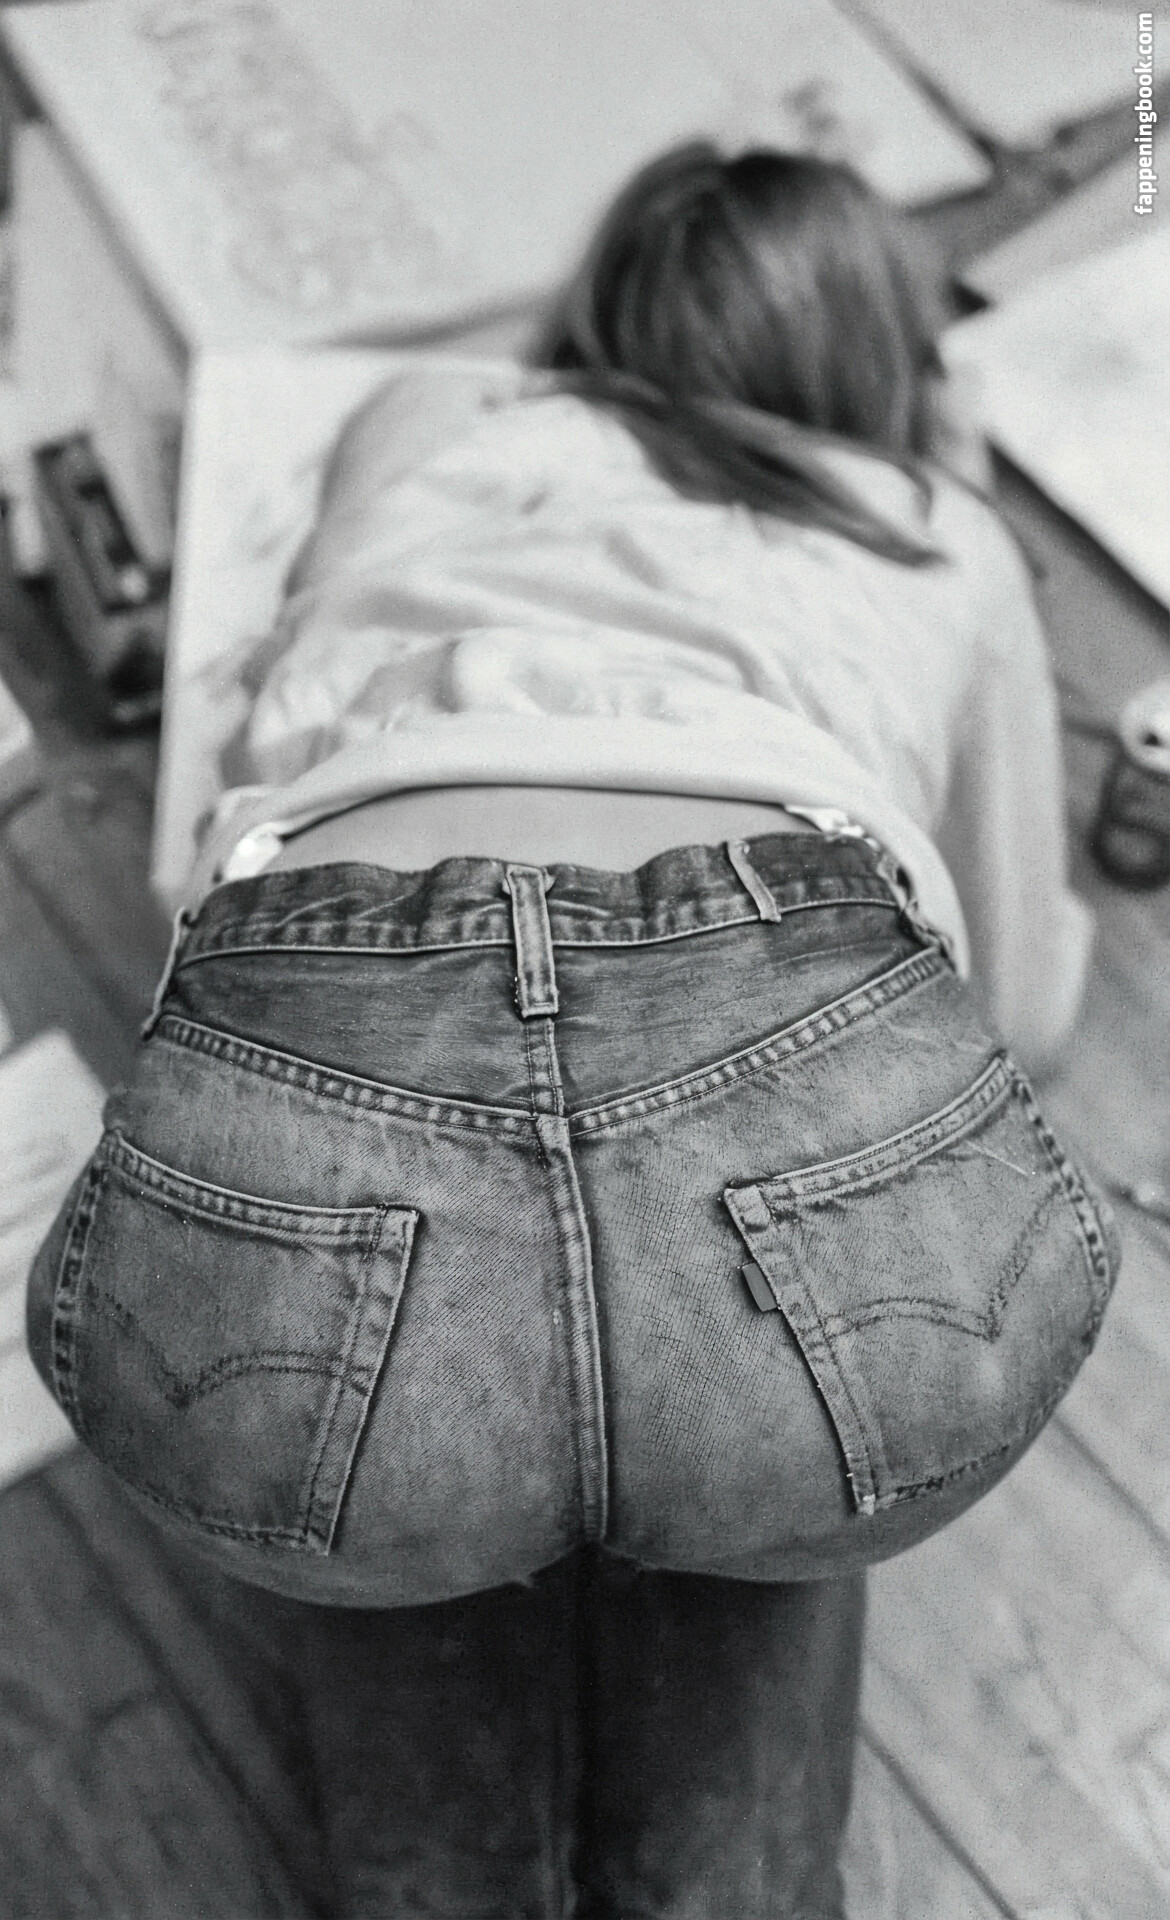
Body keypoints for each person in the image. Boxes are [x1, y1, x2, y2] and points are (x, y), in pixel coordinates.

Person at [29, 146, 1118, 1918]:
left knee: (380, 1490)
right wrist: (939, 471)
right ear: (893, 368)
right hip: (787, 998)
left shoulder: (430, 423)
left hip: (336, 999)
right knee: (769, 1445)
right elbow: (1027, 1013)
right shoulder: (930, 524)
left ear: (591, 320)